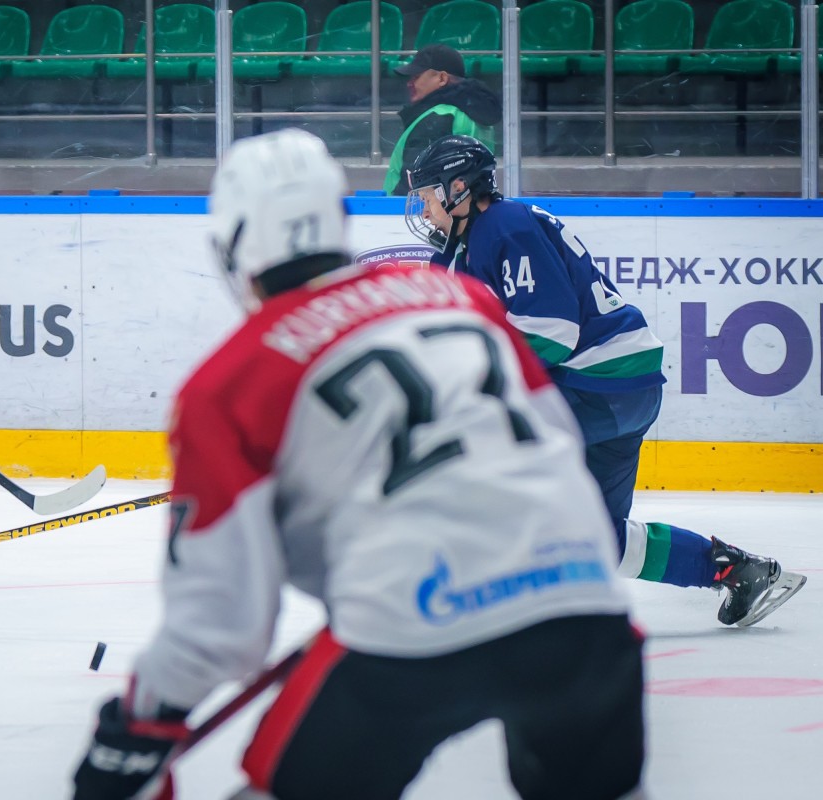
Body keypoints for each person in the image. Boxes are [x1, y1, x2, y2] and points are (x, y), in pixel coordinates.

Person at [72, 129, 645, 800]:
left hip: (411, 628)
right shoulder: (459, 300)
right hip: (584, 606)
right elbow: (555, 440)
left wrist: (141, 721)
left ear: (233, 246)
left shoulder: (228, 382)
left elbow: (220, 628)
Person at [404, 134, 807, 628]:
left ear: (458, 188)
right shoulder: (474, 243)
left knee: (473, 457)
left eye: (427, 196)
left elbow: (552, 331)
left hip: (597, 385)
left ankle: (471, 601)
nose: (424, 210)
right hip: (618, 388)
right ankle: (735, 570)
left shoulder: (504, 227)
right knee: (594, 535)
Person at [383, 43, 501, 197]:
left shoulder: (437, 119)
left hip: (410, 209)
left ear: (442, 78)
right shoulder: (475, 113)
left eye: (416, 76)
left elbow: (414, 182)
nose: (409, 83)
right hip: (467, 206)